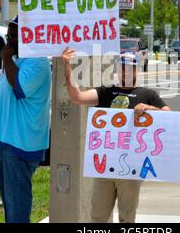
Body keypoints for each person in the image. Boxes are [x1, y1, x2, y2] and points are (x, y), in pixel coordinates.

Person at [61, 48, 171, 223]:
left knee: (127, 217)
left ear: (137, 70)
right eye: (121, 67)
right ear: (116, 70)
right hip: (105, 166)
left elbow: (169, 117)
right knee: (98, 216)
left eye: (129, 67)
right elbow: (77, 97)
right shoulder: (105, 92)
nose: (125, 71)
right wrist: (67, 66)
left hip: (132, 166)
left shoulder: (148, 95)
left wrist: (150, 109)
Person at [0, 15, 51, 223]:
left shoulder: (37, 62)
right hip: (3, 140)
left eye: (13, 36)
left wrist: (5, 58)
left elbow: (19, 88)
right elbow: (3, 100)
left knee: (17, 210)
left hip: (19, 144)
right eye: (8, 35)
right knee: (10, 207)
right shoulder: (16, 60)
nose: (8, 40)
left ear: (29, 36)